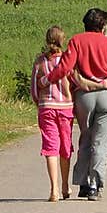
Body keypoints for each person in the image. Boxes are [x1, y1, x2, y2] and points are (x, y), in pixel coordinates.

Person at [44, 7, 107, 200]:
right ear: (103, 25)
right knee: (101, 143)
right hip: (106, 95)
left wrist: (48, 79)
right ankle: (94, 185)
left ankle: (82, 182)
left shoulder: (76, 41)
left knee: (86, 138)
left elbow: (65, 67)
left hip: (84, 96)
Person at [30, 26, 75, 201]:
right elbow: (74, 82)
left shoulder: (40, 61)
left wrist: (39, 102)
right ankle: (65, 185)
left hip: (46, 107)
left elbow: (34, 90)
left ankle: (54, 189)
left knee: (50, 147)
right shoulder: (67, 61)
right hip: (65, 107)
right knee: (65, 147)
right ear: (62, 40)